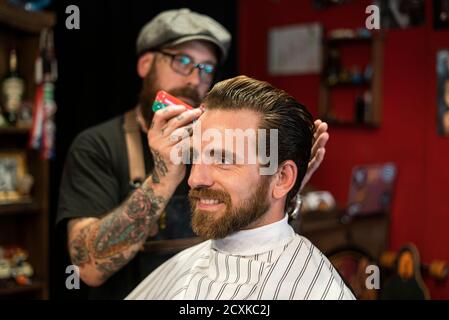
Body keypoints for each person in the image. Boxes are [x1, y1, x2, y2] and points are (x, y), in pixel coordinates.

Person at [57, 9, 329, 299]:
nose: (194, 79)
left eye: (205, 68)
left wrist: (282, 190)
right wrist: (163, 178)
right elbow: (87, 267)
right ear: (145, 64)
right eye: (182, 61)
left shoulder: (222, 139)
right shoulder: (98, 145)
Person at [126, 76, 354, 300]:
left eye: (224, 160)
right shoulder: (184, 264)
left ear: (282, 178)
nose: (195, 179)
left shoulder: (319, 292)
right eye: (195, 156)